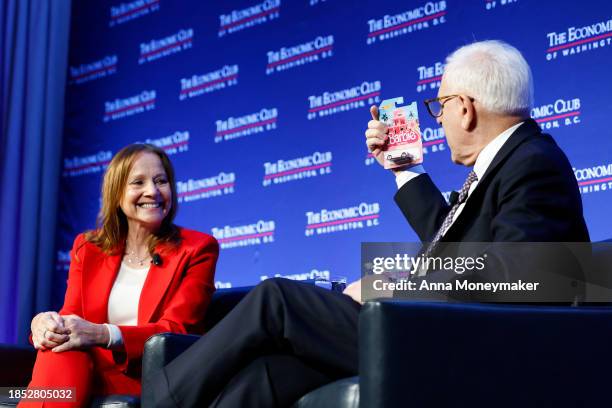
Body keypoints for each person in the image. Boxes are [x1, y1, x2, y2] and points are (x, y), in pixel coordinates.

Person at [144, 40, 589, 407]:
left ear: (466, 108)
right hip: (439, 330)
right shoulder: (509, 164)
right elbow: (450, 244)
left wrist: (396, 286)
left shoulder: (532, 164)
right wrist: (402, 168)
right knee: (266, 378)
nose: (439, 119)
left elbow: (517, 282)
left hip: (470, 347)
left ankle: (157, 403)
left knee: (276, 297)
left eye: (440, 106)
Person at [21, 144, 219, 407]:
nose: (152, 191)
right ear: (117, 194)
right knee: (59, 349)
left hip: (151, 377)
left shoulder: (197, 248)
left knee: (62, 355)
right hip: (86, 372)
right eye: (138, 182)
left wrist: (103, 334)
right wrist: (44, 327)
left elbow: (175, 331)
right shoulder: (88, 247)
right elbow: (71, 316)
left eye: (161, 181)